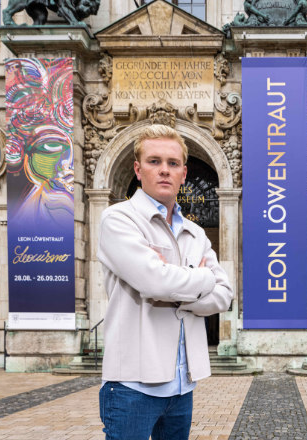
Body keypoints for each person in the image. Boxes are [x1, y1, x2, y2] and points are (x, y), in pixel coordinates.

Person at [97, 124, 233, 440]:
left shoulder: (195, 232)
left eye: (172, 164)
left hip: (182, 384)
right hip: (132, 382)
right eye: (154, 161)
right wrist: (202, 278)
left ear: (184, 173)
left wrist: (175, 289)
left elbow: (224, 294)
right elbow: (154, 282)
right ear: (137, 168)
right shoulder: (119, 219)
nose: (164, 171)